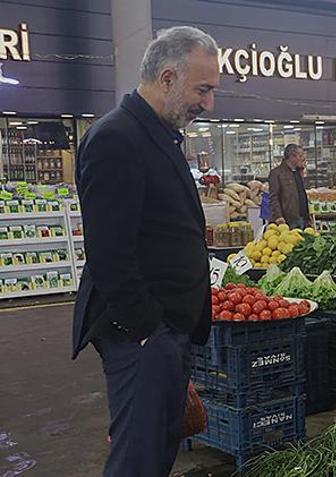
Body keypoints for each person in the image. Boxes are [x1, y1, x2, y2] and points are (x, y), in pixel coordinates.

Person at [72, 26, 219, 476]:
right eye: (203, 89)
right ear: (168, 78)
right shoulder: (117, 138)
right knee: (137, 460)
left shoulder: (158, 133)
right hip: (140, 335)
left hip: (164, 331)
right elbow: (109, 251)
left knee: (155, 454)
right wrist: (147, 332)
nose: (208, 103)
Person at [268, 143, 311, 229]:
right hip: (288, 220)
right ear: (292, 156)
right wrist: (278, 216)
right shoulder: (277, 173)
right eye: (300, 155)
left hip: (302, 218)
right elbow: (274, 197)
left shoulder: (297, 172)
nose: (303, 158)